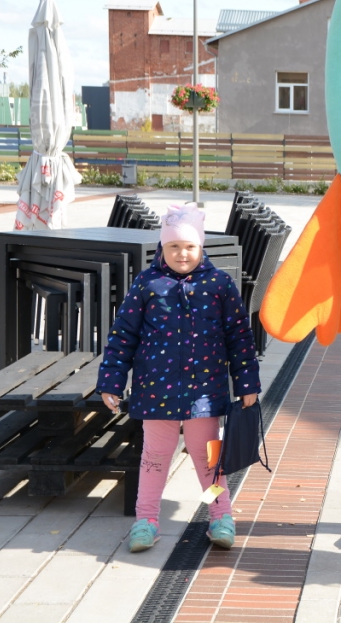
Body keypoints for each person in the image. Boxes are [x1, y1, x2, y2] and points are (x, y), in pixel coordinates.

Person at [97, 203, 261, 553]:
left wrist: (247, 383)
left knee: (208, 459)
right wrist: (111, 380)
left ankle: (220, 515)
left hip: (204, 394)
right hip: (155, 393)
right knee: (154, 458)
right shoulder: (147, 284)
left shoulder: (219, 284)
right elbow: (123, 335)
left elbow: (239, 336)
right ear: (162, 248)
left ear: (201, 247)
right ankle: (146, 520)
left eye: (189, 246)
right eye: (173, 246)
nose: (182, 253)